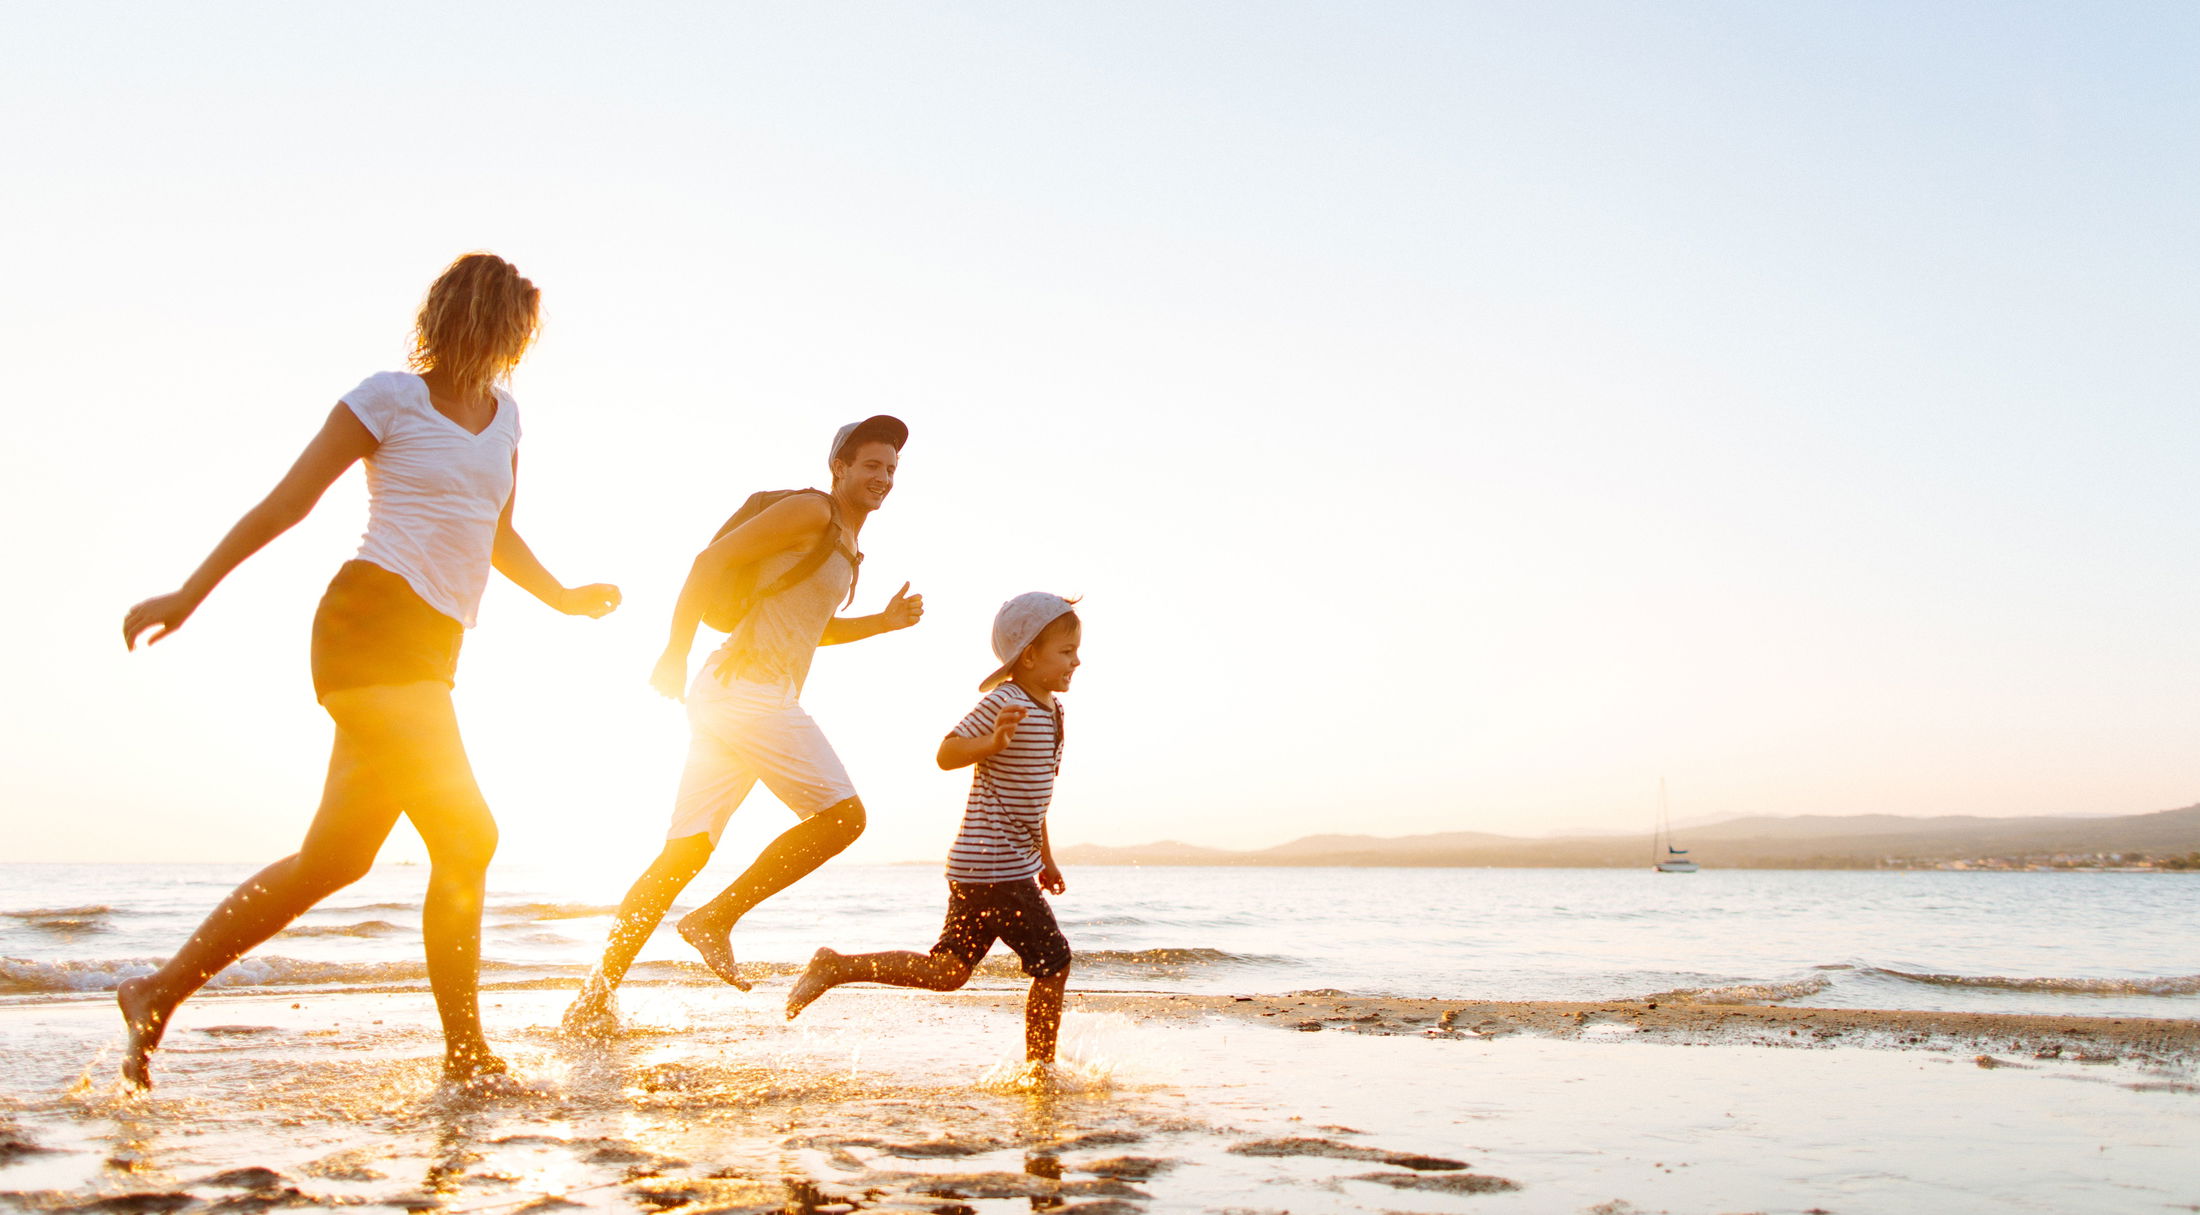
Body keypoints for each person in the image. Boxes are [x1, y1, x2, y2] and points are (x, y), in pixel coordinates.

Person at [117, 253, 621, 1088]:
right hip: (369, 625)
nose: (517, 342)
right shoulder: (389, 397)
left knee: (335, 859)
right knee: (469, 833)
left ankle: (157, 990)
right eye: (512, 323)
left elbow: (495, 531)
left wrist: (563, 597)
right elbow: (288, 502)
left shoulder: (507, 419)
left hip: (434, 648)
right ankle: (465, 1052)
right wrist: (190, 592)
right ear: (474, 316)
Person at [561, 417, 923, 1035]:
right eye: (871, 465)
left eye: (891, 468)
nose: (883, 477)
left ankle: (593, 996)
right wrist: (672, 651)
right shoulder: (813, 512)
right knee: (844, 818)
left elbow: (813, 628)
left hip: (736, 695)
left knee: (683, 853)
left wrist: (881, 623)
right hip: (748, 691)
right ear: (839, 467)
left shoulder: (846, 546)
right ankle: (715, 919)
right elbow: (709, 562)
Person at [786, 592, 1080, 1067]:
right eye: (1066, 652)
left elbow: (1034, 794)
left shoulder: (1055, 713)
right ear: (1029, 656)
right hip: (994, 870)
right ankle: (1040, 1071)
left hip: (988, 868)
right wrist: (992, 741)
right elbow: (947, 753)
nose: (1077, 661)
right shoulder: (1006, 699)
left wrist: (1044, 857)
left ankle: (837, 967)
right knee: (1054, 963)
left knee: (948, 971)